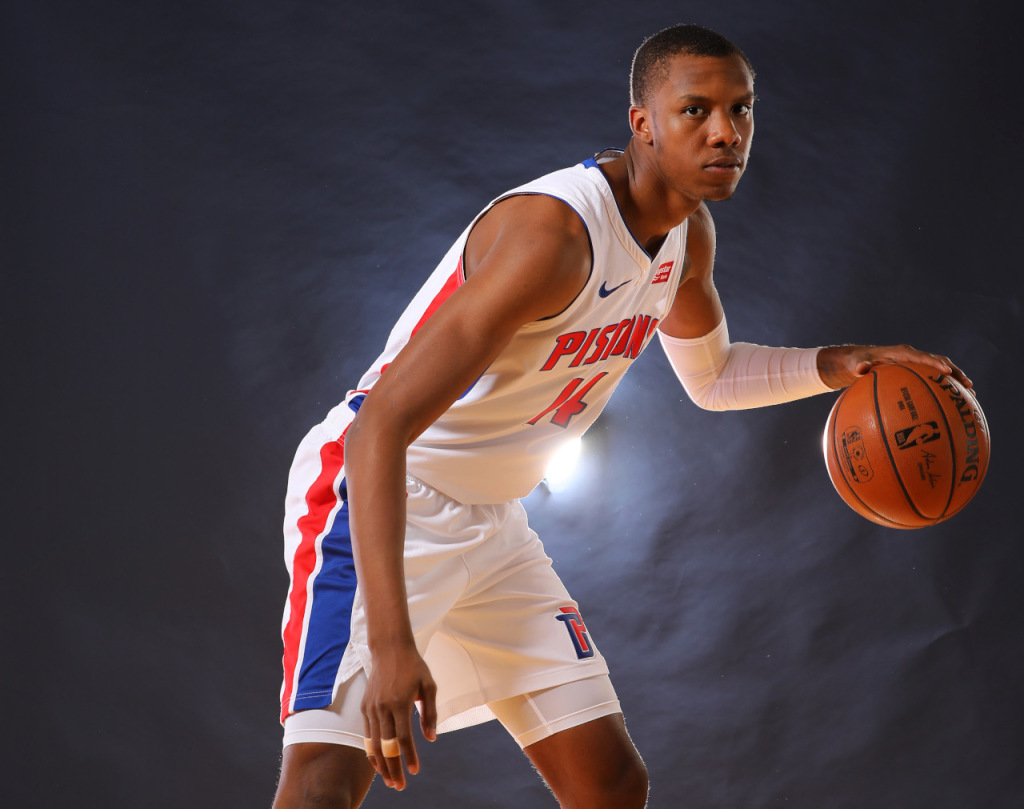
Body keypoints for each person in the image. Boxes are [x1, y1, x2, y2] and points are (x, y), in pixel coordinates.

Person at [271, 23, 970, 809]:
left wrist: (841, 363)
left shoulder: (685, 240)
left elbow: (712, 378)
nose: (725, 132)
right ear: (642, 123)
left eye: (741, 110)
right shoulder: (556, 236)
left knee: (609, 784)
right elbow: (379, 428)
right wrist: (393, 644)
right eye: (696, 111)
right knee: (326, 781)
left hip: (493, 517)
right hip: (380, 492)